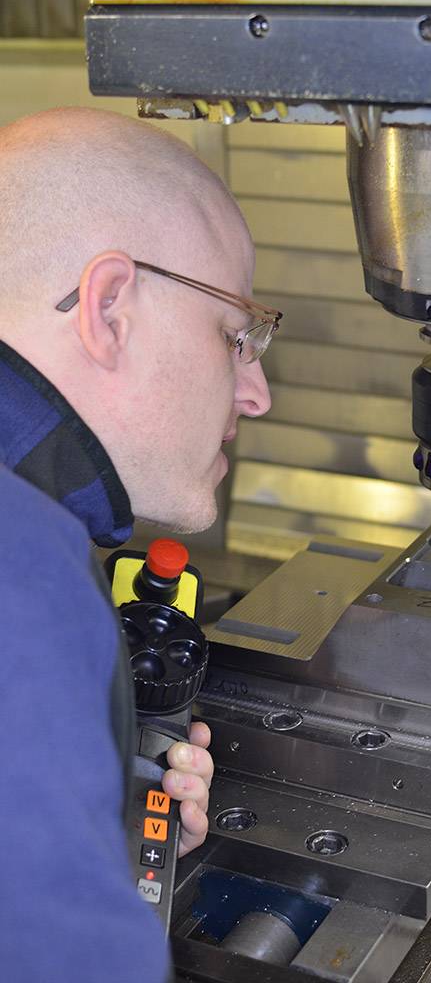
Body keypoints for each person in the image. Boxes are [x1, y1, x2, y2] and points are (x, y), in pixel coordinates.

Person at [0, 107, 273, 982]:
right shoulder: (25, 577)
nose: (256, 392)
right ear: (109, 307)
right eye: (237, 338)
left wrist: (92, 841)